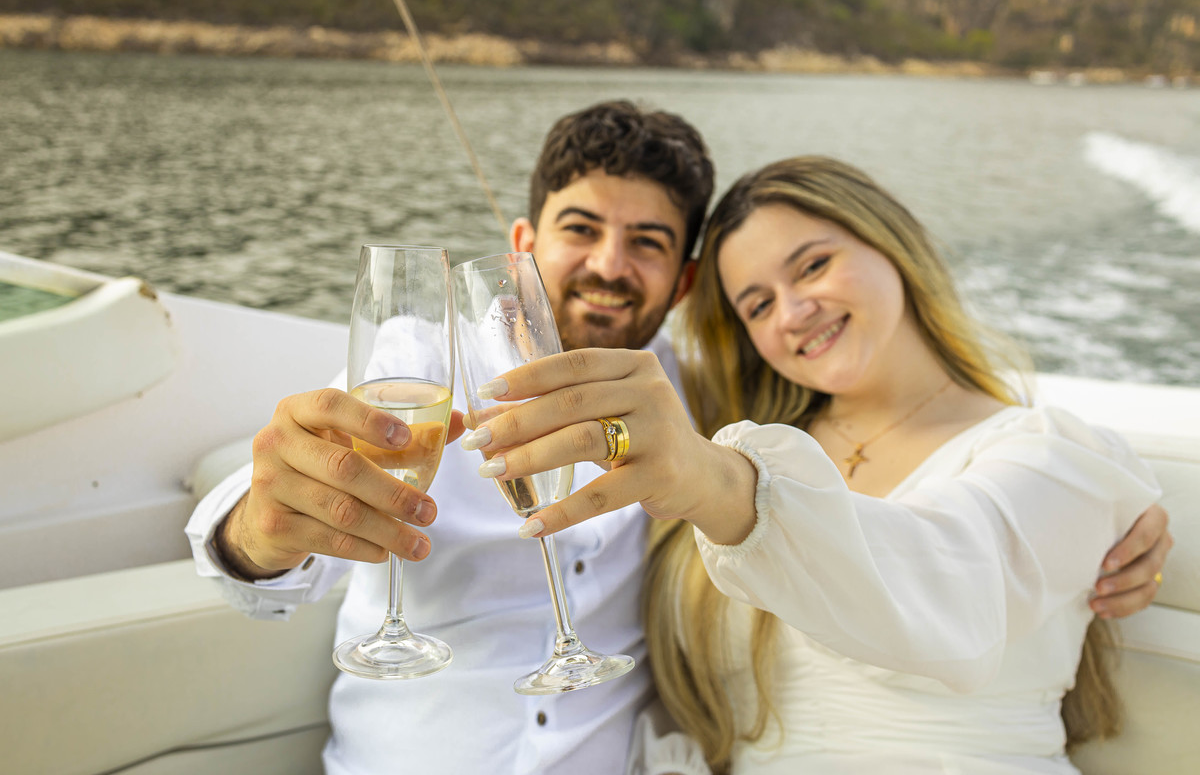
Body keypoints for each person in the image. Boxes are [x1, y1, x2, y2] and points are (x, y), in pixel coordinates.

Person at [184, 104, 1169, 774]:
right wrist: (257, 525)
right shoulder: (419, 360)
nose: (610, 266)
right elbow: (273, 541)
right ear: (525, 245)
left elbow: (955, 552)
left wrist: (1125, 503)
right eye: (580, 229)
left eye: (649, 242)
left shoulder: (713, 418)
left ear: (683, 289)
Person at [463, 156, 1168, 774]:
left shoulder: (1055, 456)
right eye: (758, 304)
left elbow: (946, 579)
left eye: (813, 266)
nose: (794, 312)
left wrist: (717, 484)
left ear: (891, 244)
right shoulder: (742, 431)